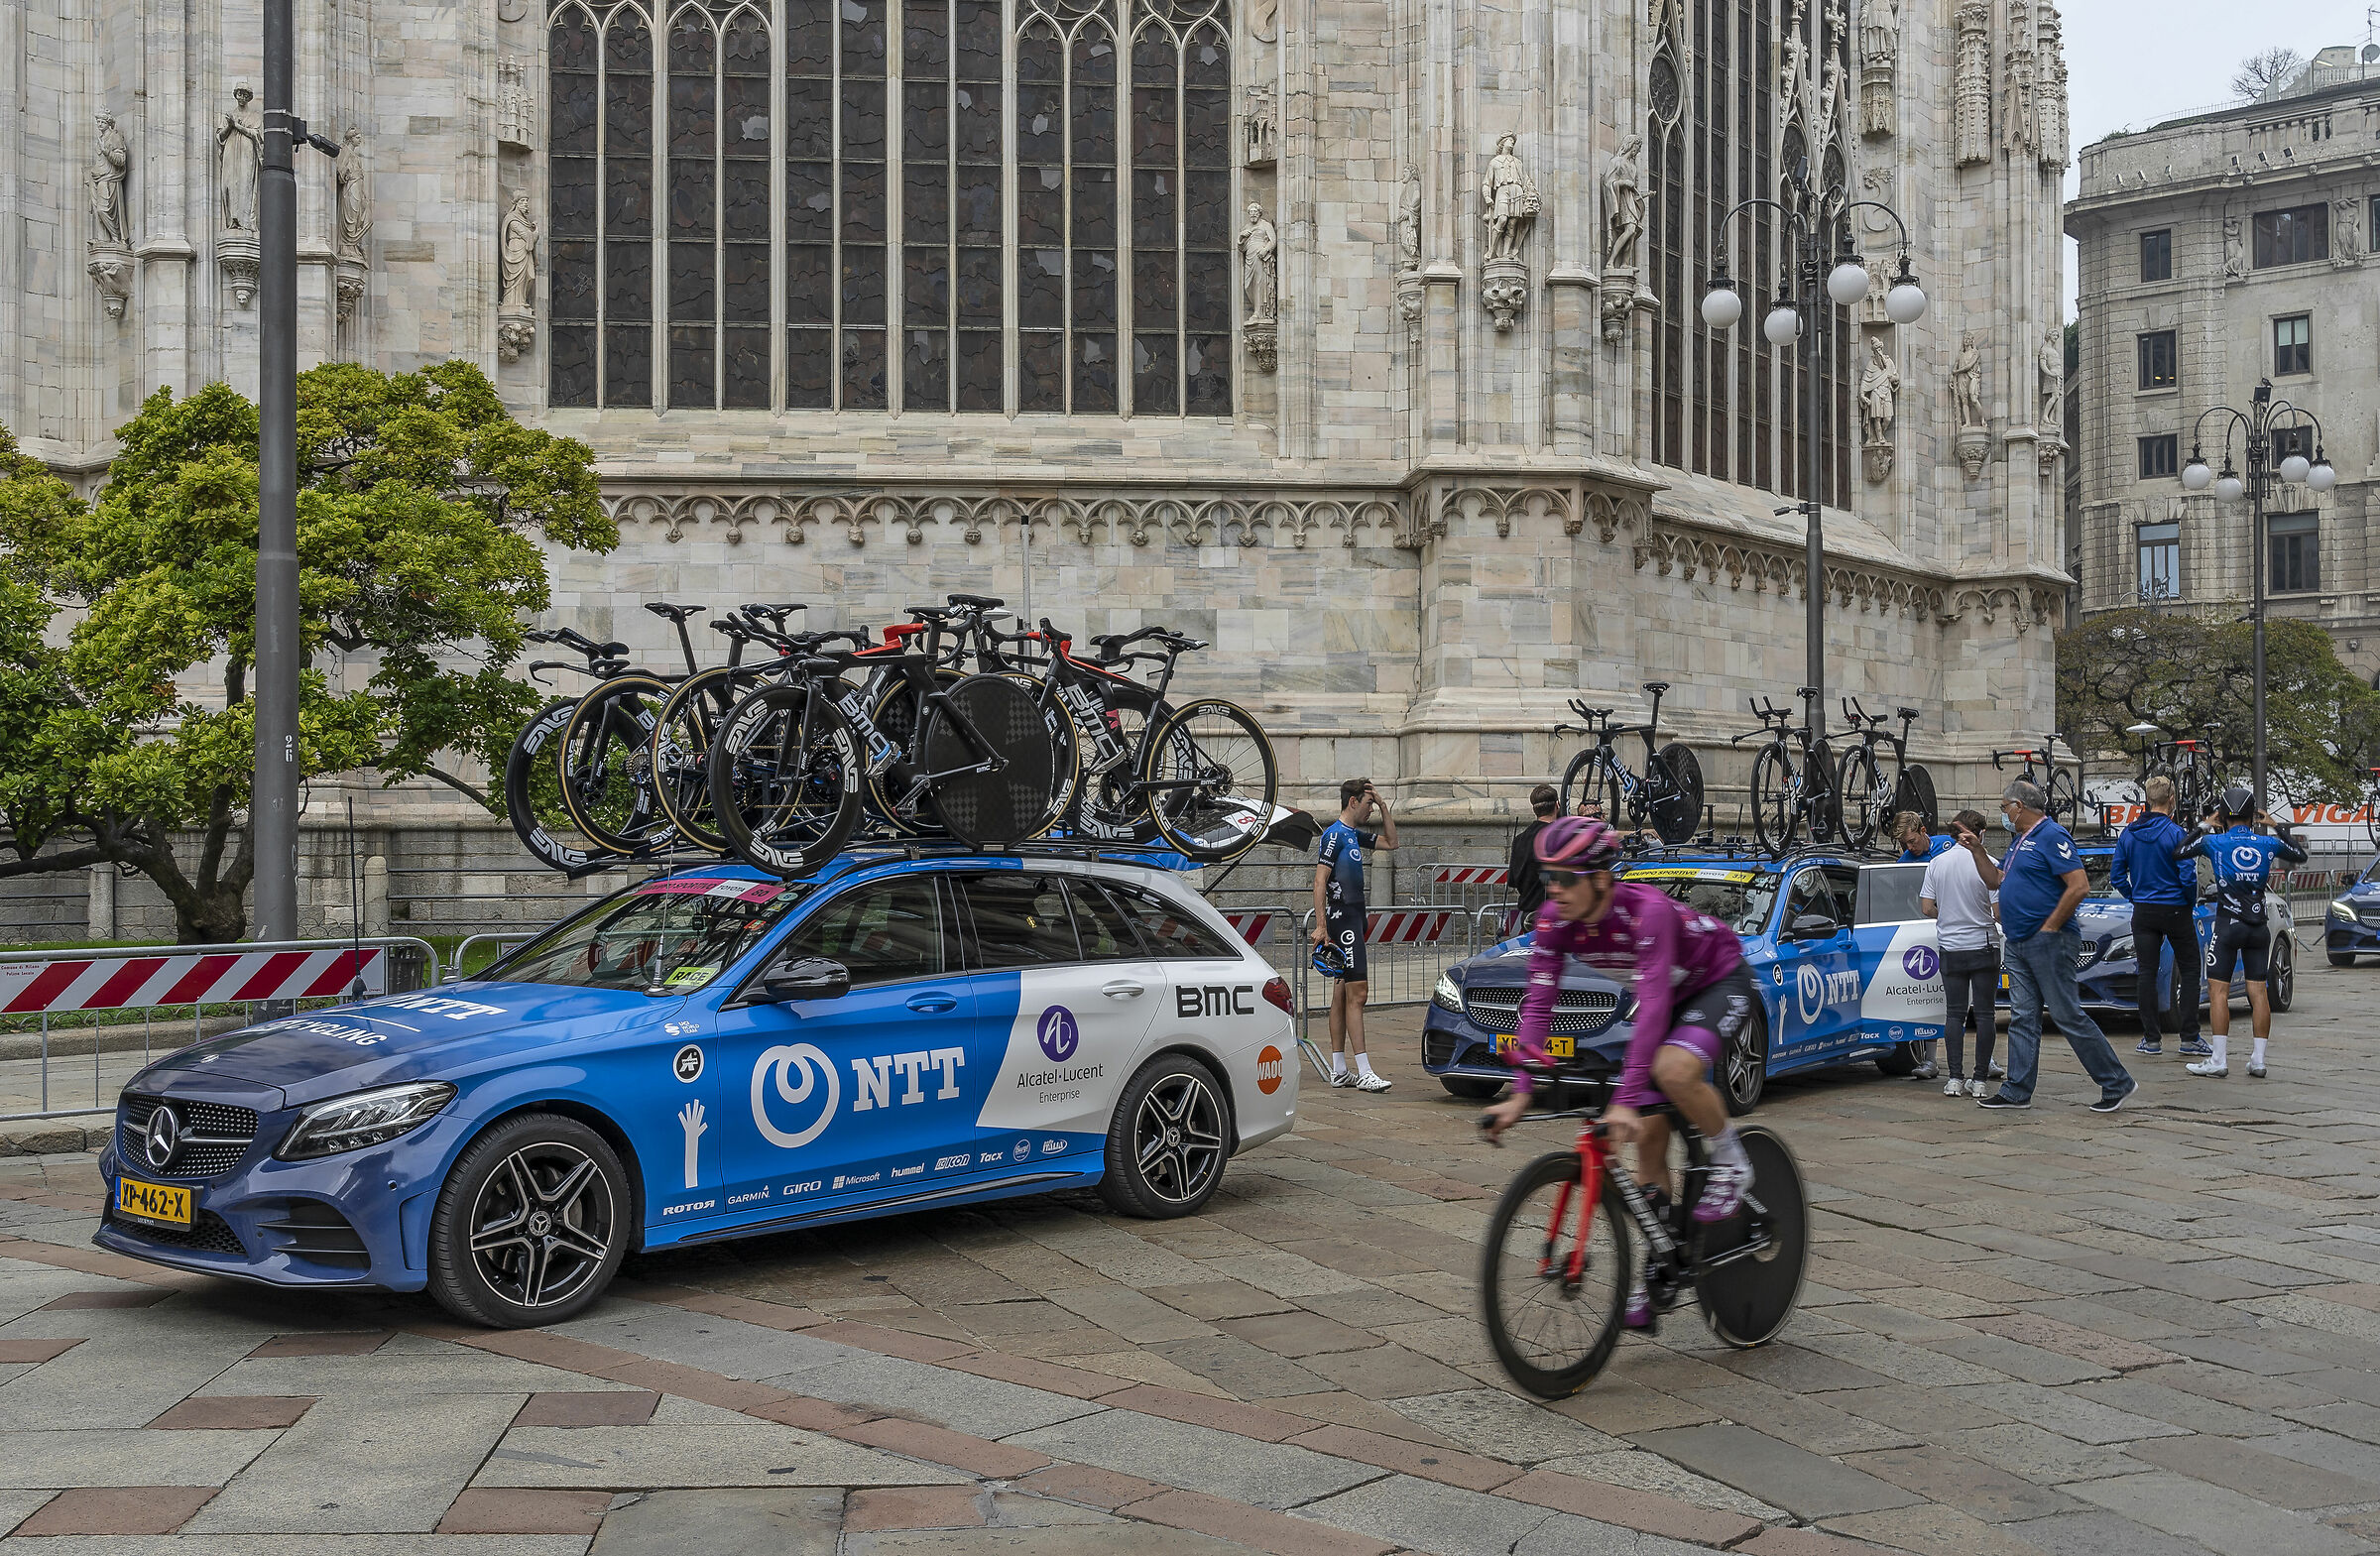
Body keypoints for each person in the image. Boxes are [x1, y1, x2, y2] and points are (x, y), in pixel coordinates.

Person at [1481, 818, 1760, 1325]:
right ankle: (1661, 1269)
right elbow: (1538, 1006)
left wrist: (1627, 1097)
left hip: (1718, 978)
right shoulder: (1553, 920)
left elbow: (1651, 1006)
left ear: (1602, 880)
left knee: (1671, 1070)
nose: (1556, 891)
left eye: (1567, 878)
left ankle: (1733, 1162)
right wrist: (1522, 1090)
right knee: (1649, 1140)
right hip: (1668, 994)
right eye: (1549, 879)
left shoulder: (1645, 912)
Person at [1973, 779, 2136, 1112]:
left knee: (2066, 1014)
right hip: (2020, 941)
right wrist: (1976, 850)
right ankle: (2017, 1090)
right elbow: (1995, 880)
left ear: (2020, 806)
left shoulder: (2051, 836)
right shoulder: (2020, 841)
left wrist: (2050, 927)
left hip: (2048, 940)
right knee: (2022, 1015)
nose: (2003, 813)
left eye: (2005, 807)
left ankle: (2116, 1082)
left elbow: (2078, 886)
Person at [2176, 787, 2304, 1079]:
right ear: (2252, 815)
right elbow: (2300, 854)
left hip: (2228, 924)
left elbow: (2179, 852)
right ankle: (2258, 1060)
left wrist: (2205, 824)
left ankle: (2218, 1059)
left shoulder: (2214, 842)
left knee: (2217, 991)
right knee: (2258, 992)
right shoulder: (2265, 843)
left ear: (2223, 814)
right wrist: (2275, 826)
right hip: (2258, 926)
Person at [1313, 778, 1398, 1092]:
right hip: (1343, 919)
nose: (1369, 810)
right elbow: (1319, 881)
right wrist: (1322, 925)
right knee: (1358, 993)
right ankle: (1363, 1070)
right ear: (1352, 802)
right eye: (1367, 804)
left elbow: (1392, 842)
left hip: (1353, 918)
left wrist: (1385, 807)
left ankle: (1339, 1069)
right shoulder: (1334, 836)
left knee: (1341, 993)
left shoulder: (1352, 835)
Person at [2111, 776, 2203, 1058]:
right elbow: (2188, 876)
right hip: (2175, 907)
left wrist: (2134, 895)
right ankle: (2189, 1037)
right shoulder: (2177, 834)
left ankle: (2151, 1039)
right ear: (2172, 799)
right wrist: (2189, 901)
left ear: (2147, 801)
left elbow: (2116, 875)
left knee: (2146, 973)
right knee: (2189, 969)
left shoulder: (2129, 834)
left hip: (2144, 910)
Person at [1921, 809, 1999, 1098]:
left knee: (1954, 1014)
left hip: (1951, 947)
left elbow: (1927, 907)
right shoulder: (1990, 864)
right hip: (1983, 944)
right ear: (1981, 834)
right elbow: (1998, 912)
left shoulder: (1937, 864)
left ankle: (1954, 1077)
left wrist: (1949, 916)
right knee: (1986, 1014)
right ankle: (1979, 1080)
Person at [1507, 784, 1560, 928]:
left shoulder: (1520, 839)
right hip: (1552, 915)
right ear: (1557, 805)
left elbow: (1512, 880)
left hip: (1527, 916)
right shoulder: (1558, 836)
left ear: (1535, 809)